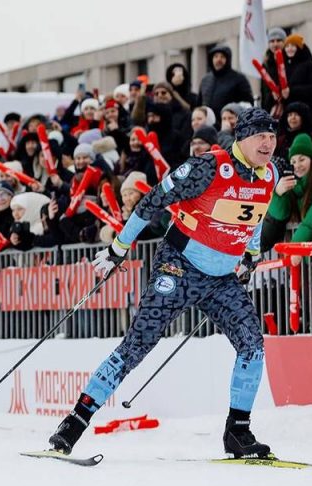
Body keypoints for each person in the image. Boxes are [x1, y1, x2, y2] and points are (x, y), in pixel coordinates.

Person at [48, 108, 280, 459]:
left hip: (221, 279)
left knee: (252, 345)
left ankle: (238, 432)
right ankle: (75, 422)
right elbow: (151, 202)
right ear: (242, 137)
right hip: (180, 267)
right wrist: (118, 247)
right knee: (137, 345)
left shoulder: (270, 173)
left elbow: (257, 213)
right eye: (260, 135)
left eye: (272, 135)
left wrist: (250, 252)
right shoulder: (208, 167)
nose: (268, 142)